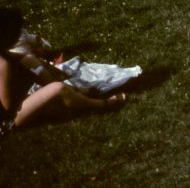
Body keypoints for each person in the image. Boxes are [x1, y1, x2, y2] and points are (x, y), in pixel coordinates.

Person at [1, 7, 127, 138]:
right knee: (57, 89)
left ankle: (77, 92)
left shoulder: (5, 54)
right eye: (16, 33)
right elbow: (8, 108)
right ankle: (102, 105)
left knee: (29, 61)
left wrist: (37, 69)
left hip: (16, 103)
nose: (18, 36)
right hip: (8, 120)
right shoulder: (3, 65)